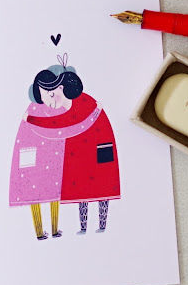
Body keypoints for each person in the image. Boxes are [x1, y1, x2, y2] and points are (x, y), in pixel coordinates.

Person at [25, 55, 120, 234]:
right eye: (45, 99)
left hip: (97, 149)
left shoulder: (82, 103)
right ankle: (84, 227)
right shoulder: (72, 105)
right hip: (80, 151)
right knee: (82, 190)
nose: (49, 102)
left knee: (102, 188)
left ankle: (102, 226)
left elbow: (60, 123)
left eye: (50, 95)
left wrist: (32, 120)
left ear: (60, 88)